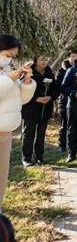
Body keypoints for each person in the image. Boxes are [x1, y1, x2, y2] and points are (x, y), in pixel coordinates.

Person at [0, 35, 36, 208]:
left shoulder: (7, 71)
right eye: (7, 55)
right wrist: (9, 79)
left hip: (5, 134)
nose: (9, 59)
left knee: (1, 178)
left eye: (12, 56)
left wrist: (26, 82)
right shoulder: (7, 75)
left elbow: (20, 100)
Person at [21, 55, 59, 166]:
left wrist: (50, 97)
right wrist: (36, 98)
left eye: (46, 59)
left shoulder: (49, 73)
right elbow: (22, 88)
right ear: (35, 61)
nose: (44, 62)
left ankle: (39, 157)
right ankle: (26, 158)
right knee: (29, 133)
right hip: (30, 108)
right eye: (42, 59)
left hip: (44, 108)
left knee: (41, 134)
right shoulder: (28, 72)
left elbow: (56, 88)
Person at [56, 49, 77, 152]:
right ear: (68, 58)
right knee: (64, 124)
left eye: (76, 56)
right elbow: (59, 85)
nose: (75, 58)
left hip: (76, 101)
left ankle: (74, 145)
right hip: (64, 100)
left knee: (74, 126)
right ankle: (62, 145)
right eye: (73, 56)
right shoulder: (62, 70)